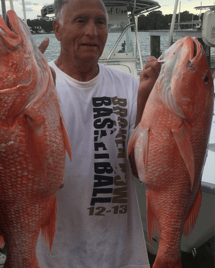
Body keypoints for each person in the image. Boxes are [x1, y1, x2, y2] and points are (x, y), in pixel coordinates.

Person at [37, 0, 161, 267]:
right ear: (57, 29)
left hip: (122, 256)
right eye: (80, 20)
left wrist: (146, 100)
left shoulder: (129, 85)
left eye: (100, 22)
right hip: (54, 257)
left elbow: (142, 171)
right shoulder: (38, 86)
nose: (92, 32)